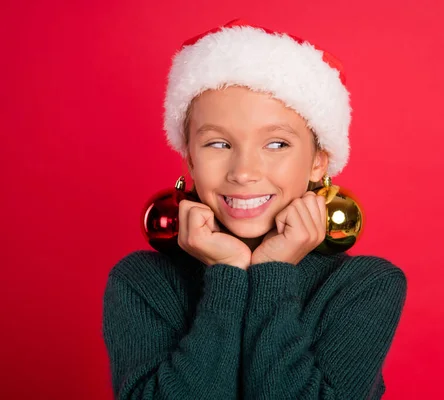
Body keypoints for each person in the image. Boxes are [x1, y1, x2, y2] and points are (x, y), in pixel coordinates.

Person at [102, 19, 407, 399]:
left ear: (318, 162)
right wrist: (226, 275)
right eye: (218, 144)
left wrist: (273, 272)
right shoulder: (142, 282)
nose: (244, 173)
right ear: (189, 159)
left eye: (277, 144)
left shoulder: (365, 286)